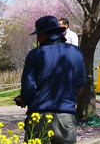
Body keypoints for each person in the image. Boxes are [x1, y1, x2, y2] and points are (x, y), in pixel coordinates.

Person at [16, 15, 87, 144]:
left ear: (42, 35)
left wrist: (23, 99)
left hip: (39, 115)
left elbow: (29, 87)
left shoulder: (35, 55)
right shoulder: (76, 52)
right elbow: (80, 82)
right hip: (66, 115)